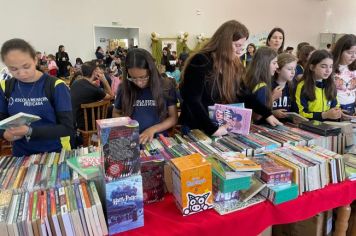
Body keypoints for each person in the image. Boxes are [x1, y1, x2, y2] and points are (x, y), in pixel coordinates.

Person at [179, 20, 281, 137]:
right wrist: (212, 129)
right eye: (237, 45)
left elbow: (244, 94)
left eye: (241, 46)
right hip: (197, 127)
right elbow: (193, 100)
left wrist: (267, 113)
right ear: (224, 43)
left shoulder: (233, 64)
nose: (239, 51)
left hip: (218, 126)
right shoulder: (201, 60)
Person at [0, 38, 73, 156]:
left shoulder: (56, 86)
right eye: (14, 69)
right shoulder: (5, 87)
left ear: (35, 60)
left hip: (55, 152)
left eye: (26, 66)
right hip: (21, 154)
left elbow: (67, 128)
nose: (22, 73)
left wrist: (30, 131)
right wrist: (4, 134)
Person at [113, 48, 178, 144]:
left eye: (143, 77)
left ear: (152, 71)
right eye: (133, 78)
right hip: (132, 141)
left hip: (158, 140)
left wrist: (153, 129)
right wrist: (127, 125)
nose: (139, 83)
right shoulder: (124, 88)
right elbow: (116, 113)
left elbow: (173, 118)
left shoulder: (166, 87)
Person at [295, 50, 341, 121]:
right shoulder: (303, 86)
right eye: (323, 66)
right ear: (312, 67)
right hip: (310, 126)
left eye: (331, 66)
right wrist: (325, 115)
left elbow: (336, 106)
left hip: (328, 126)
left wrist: (338, 113)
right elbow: (301, 113)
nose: (328, 70)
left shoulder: (331, 85)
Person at [70, 61, 113, 132]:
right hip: (88, 124)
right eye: (98, 69)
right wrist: (104, 80)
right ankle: (106, 136)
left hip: (75, 121)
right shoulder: (93, 90)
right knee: (112, 108)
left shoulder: (76, 83)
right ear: (94, 72)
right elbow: (111, 96)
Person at [243, 47, 279, 122]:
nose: (277, 66)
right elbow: (257, 116)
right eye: (274, 63)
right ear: (264, 64)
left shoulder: (247, 78)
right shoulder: (261, 86)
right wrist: (273, 97)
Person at [332, 34, 356, 115]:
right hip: (335, 107)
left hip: (351, 106)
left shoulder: (354, 67)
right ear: (340, 51)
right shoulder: (330, 67)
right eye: (350, 53)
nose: (353, 56)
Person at [272, 53, 298, 119]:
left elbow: (294, 110)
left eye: (294, 69)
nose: (293, 72)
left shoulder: (292, 88)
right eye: (289, 69)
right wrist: (273, 113)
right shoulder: (269, 86)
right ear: (278, 70)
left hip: (286, 124)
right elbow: (259, 110)